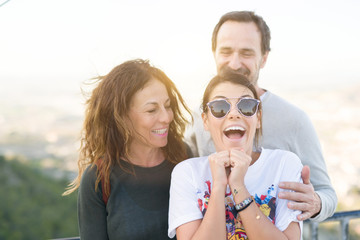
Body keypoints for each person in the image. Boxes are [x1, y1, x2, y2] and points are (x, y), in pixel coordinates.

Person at [185, 11, 337, 222]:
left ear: (264, 58)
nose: (235, 63)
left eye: (246, 53)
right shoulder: (199, 117)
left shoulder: (294, 120)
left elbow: (327, 194)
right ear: (214, 53)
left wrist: (317, 203)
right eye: (226, 51)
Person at [63, 59, 191, 239]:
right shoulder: (98, 179)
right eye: (152, 110)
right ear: (121, 117)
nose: (166, 117)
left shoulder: (182, 156)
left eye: (168, 106)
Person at [169, 72, 303, 240]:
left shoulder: (284, 164)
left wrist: (238, 186)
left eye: (246, 105)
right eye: (220, 107)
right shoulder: (187, 173)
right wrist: (218, 186)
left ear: (258, 118)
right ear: (205, 121)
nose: (234, 114)